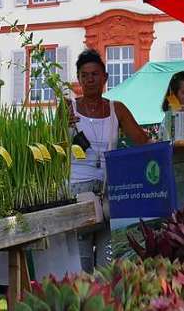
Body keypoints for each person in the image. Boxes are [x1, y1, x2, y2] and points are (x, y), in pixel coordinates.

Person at [67, 48, 149, 271]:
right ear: (79, 79)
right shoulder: (68, 108)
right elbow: (52, 146)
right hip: (77, 192)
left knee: (108, 263)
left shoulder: (117, 108)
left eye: (95, 74)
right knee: (80, 262)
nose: (90, 79)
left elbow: (142, 141)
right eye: (84, 75)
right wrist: (62, 126)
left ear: (105, 77)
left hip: (109, 192)